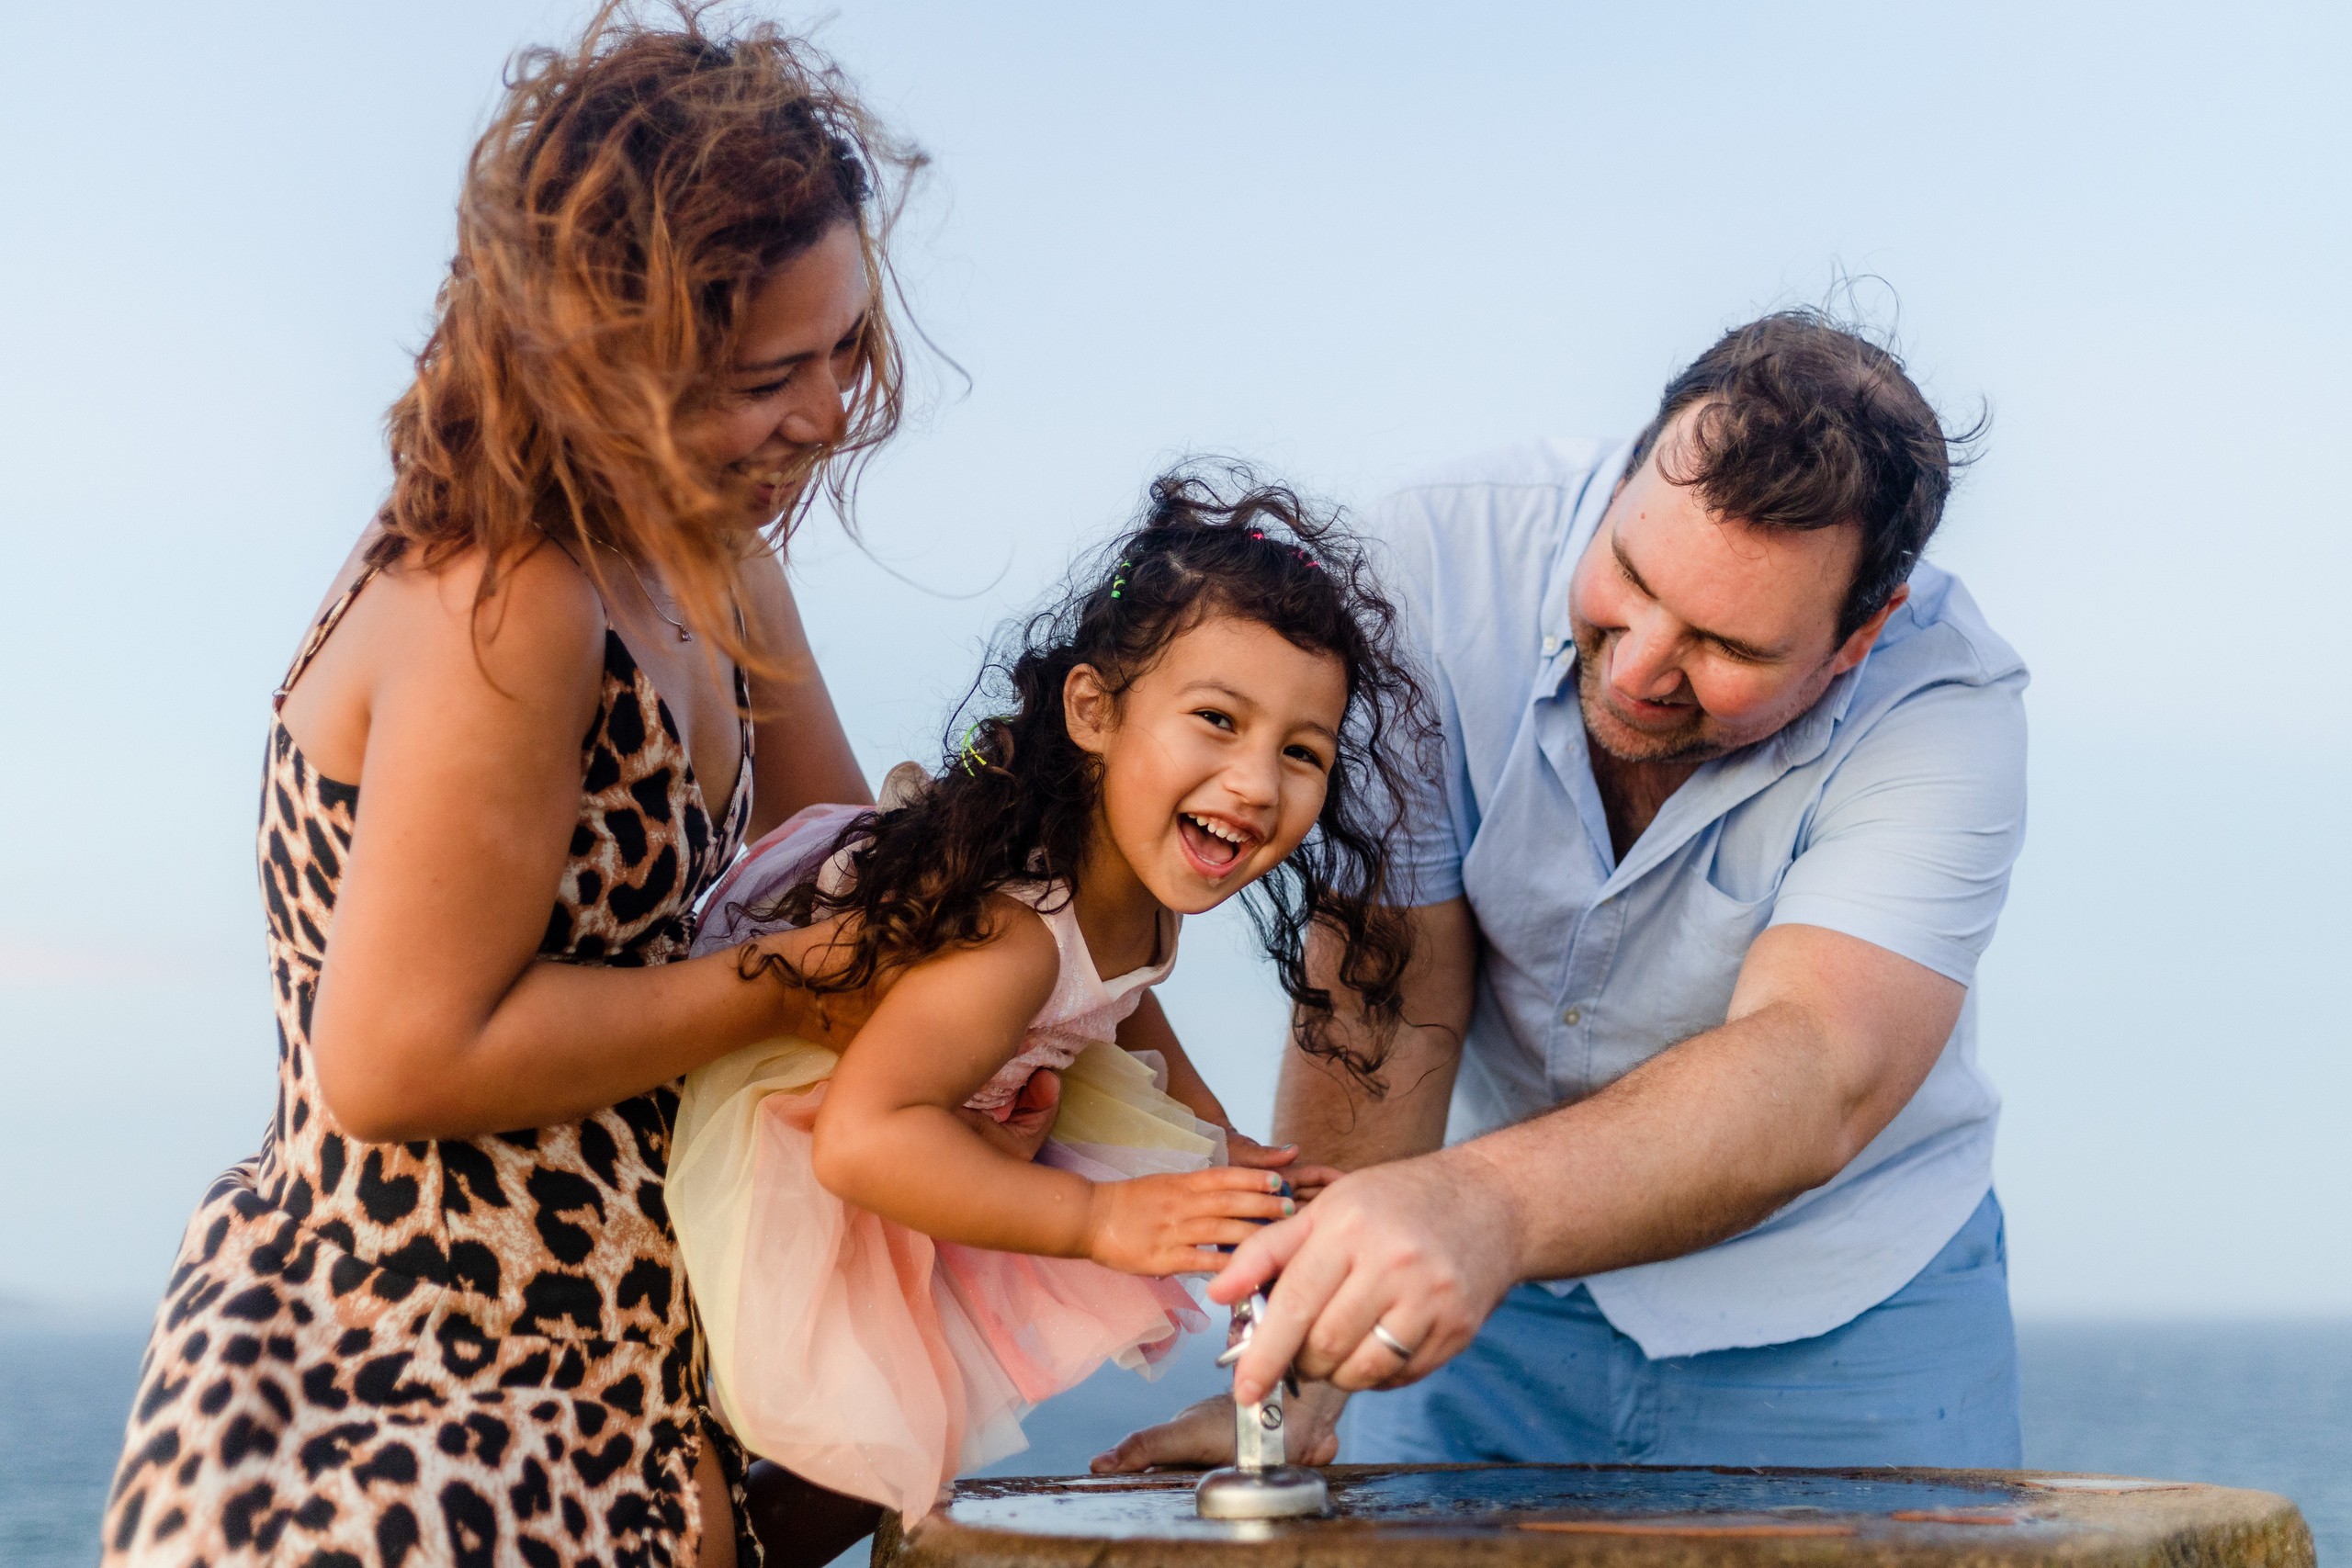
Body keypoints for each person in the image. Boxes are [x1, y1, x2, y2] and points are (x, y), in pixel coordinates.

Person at [102, 10, 942, 1566]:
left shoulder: (718, 560)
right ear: (612, 363)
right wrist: (788, 982)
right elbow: (401, 1055)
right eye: (772, 372)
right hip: (404, 1421)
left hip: (598, 1388)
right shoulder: (512, 596)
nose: (827, 412)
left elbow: (843, 873)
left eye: (843, 346)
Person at [1098, 310, 2030, 1474]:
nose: (1638, 666)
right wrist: (1298, 1382)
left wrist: (1480, 1205)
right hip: (1475, 1299)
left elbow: (1820, 1065)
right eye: (1629, 577)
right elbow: (1394, 987)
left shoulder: (1947, 705)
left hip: (1846, 1304)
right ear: (1631, 469)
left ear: (1860, 636)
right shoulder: (1428, 569)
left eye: (1728, 647)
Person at [664, 477, 1425, 1524]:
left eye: (1301, 751)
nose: (1256, 782)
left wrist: (1225, 1143)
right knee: (861, 1431)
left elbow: (1123, 1003)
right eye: (1216, 720)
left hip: (953, 1104)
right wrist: (1099, 1219)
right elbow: (858, 1139)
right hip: (820, 1130)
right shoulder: (1015, 935)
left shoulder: (1150, 894)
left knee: (911, 1439)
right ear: (1093, 711)